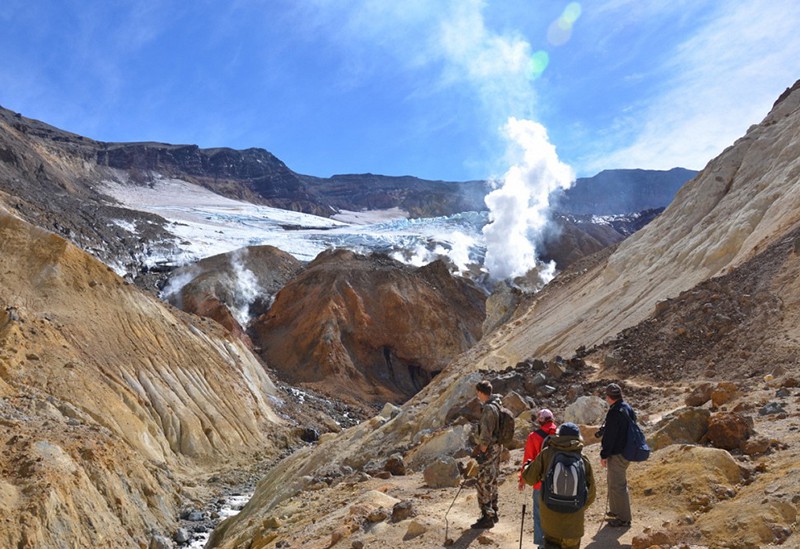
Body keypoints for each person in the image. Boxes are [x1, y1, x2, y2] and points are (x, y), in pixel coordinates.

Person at [522, 422, 596, 549]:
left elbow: (530, 478)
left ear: (559, 436)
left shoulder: (547, 453)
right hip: (573, 525)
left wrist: (527, 466)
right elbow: (591, 494)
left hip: (550, 520)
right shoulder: (583, 459)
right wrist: (578, 507)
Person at [519, 409, 558, 548]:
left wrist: (522, 479)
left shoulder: (534, 437)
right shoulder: (561, 435)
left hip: (540, 483)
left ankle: (542, 545)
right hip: (559, 482)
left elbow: (527, 459)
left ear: (540, 421)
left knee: (539, 513)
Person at [599, 382, 634, 528]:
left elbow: (610, 436)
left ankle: (624, 518)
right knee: (613, 483)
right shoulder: (627, 408)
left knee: (618, 485)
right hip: (626, 451)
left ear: (609, 397)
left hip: (617, 453)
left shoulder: (614, 412)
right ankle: (615, 511)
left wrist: (604, 454)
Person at [470, 379, 503, 529]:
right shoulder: (497, 404)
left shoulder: (489, 409)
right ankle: (493, 511)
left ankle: (487, 516)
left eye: (478, 392)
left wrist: (481, 452)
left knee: (483, 481)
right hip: (496, 448)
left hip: (489, 449)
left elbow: (486, 434)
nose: (477, 395)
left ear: (482, 393)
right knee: (492, 479)